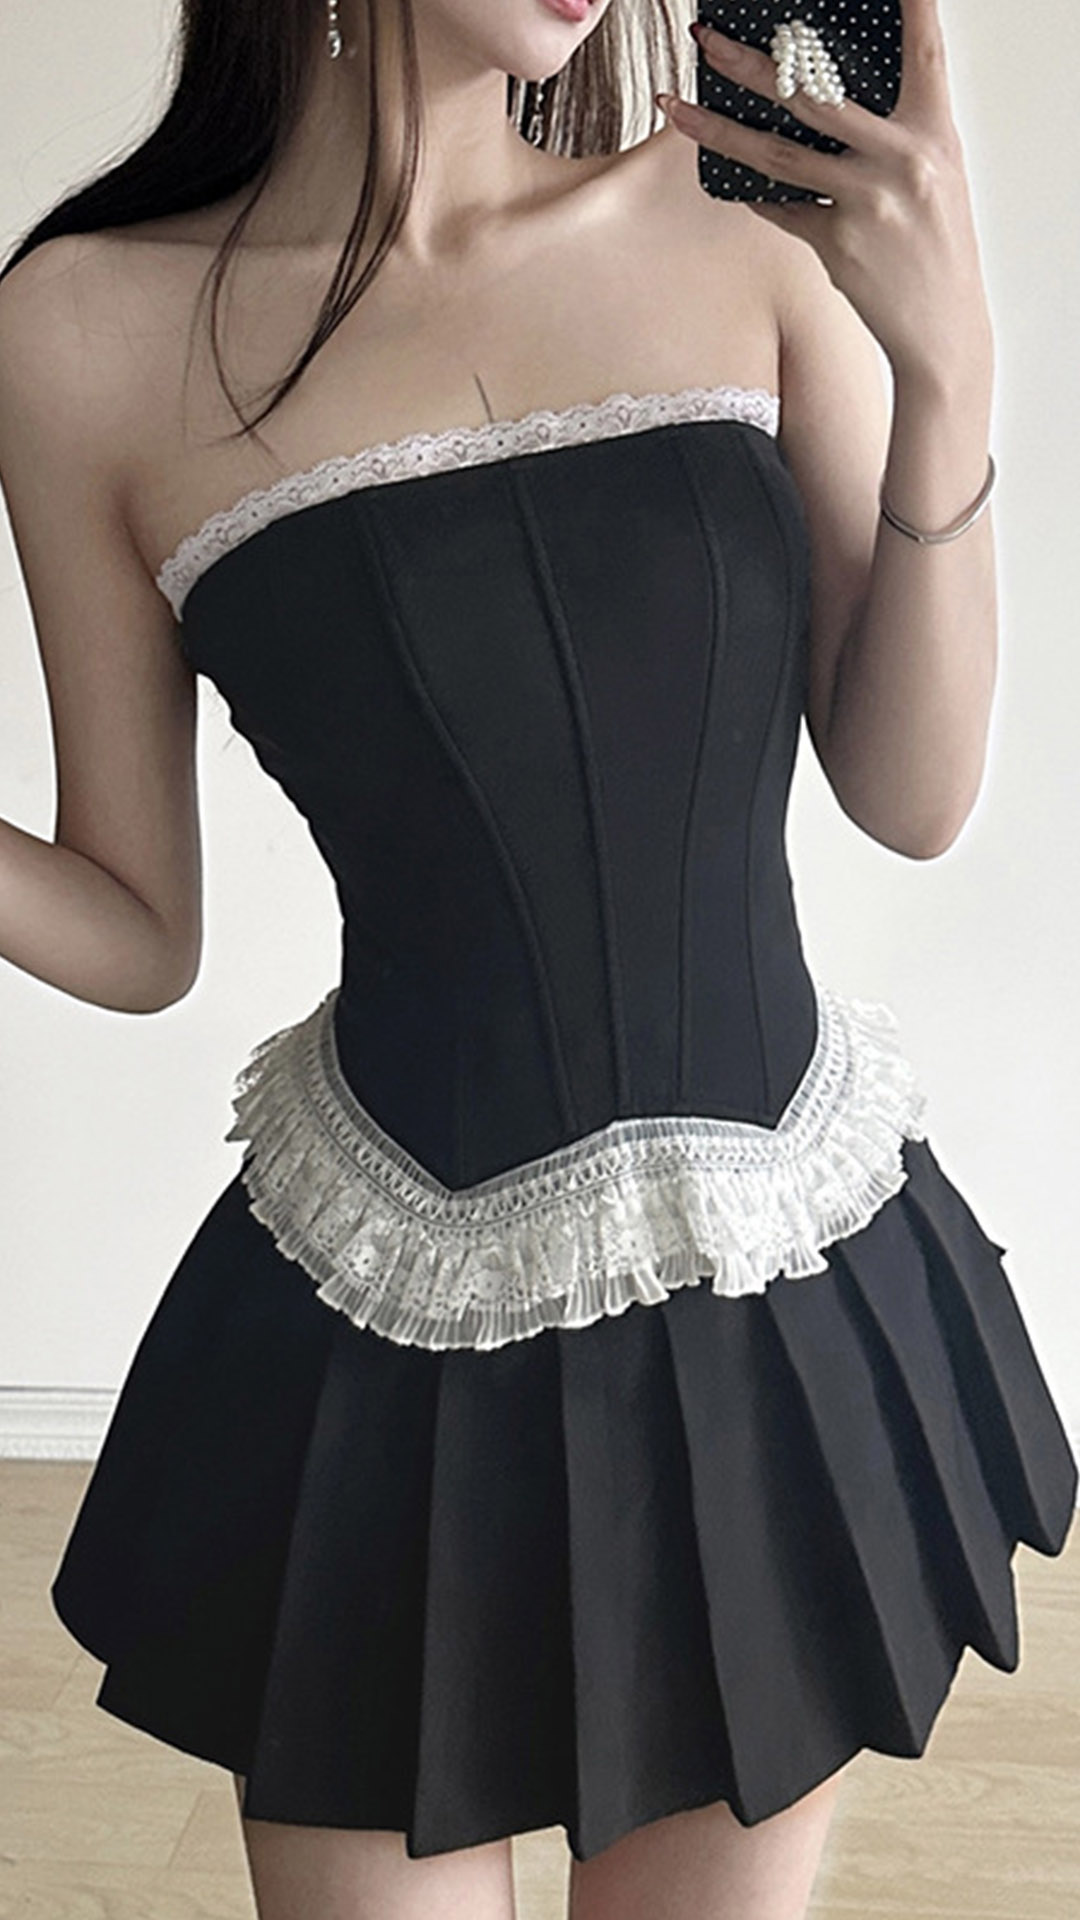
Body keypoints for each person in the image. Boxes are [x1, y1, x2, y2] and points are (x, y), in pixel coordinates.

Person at [0, 2, 1074, 1917]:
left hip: (769, 1303)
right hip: (373, 1343)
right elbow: (138, 923)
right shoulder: (83, 330)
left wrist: (952, 363)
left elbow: (913, 795)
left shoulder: (744, 221)